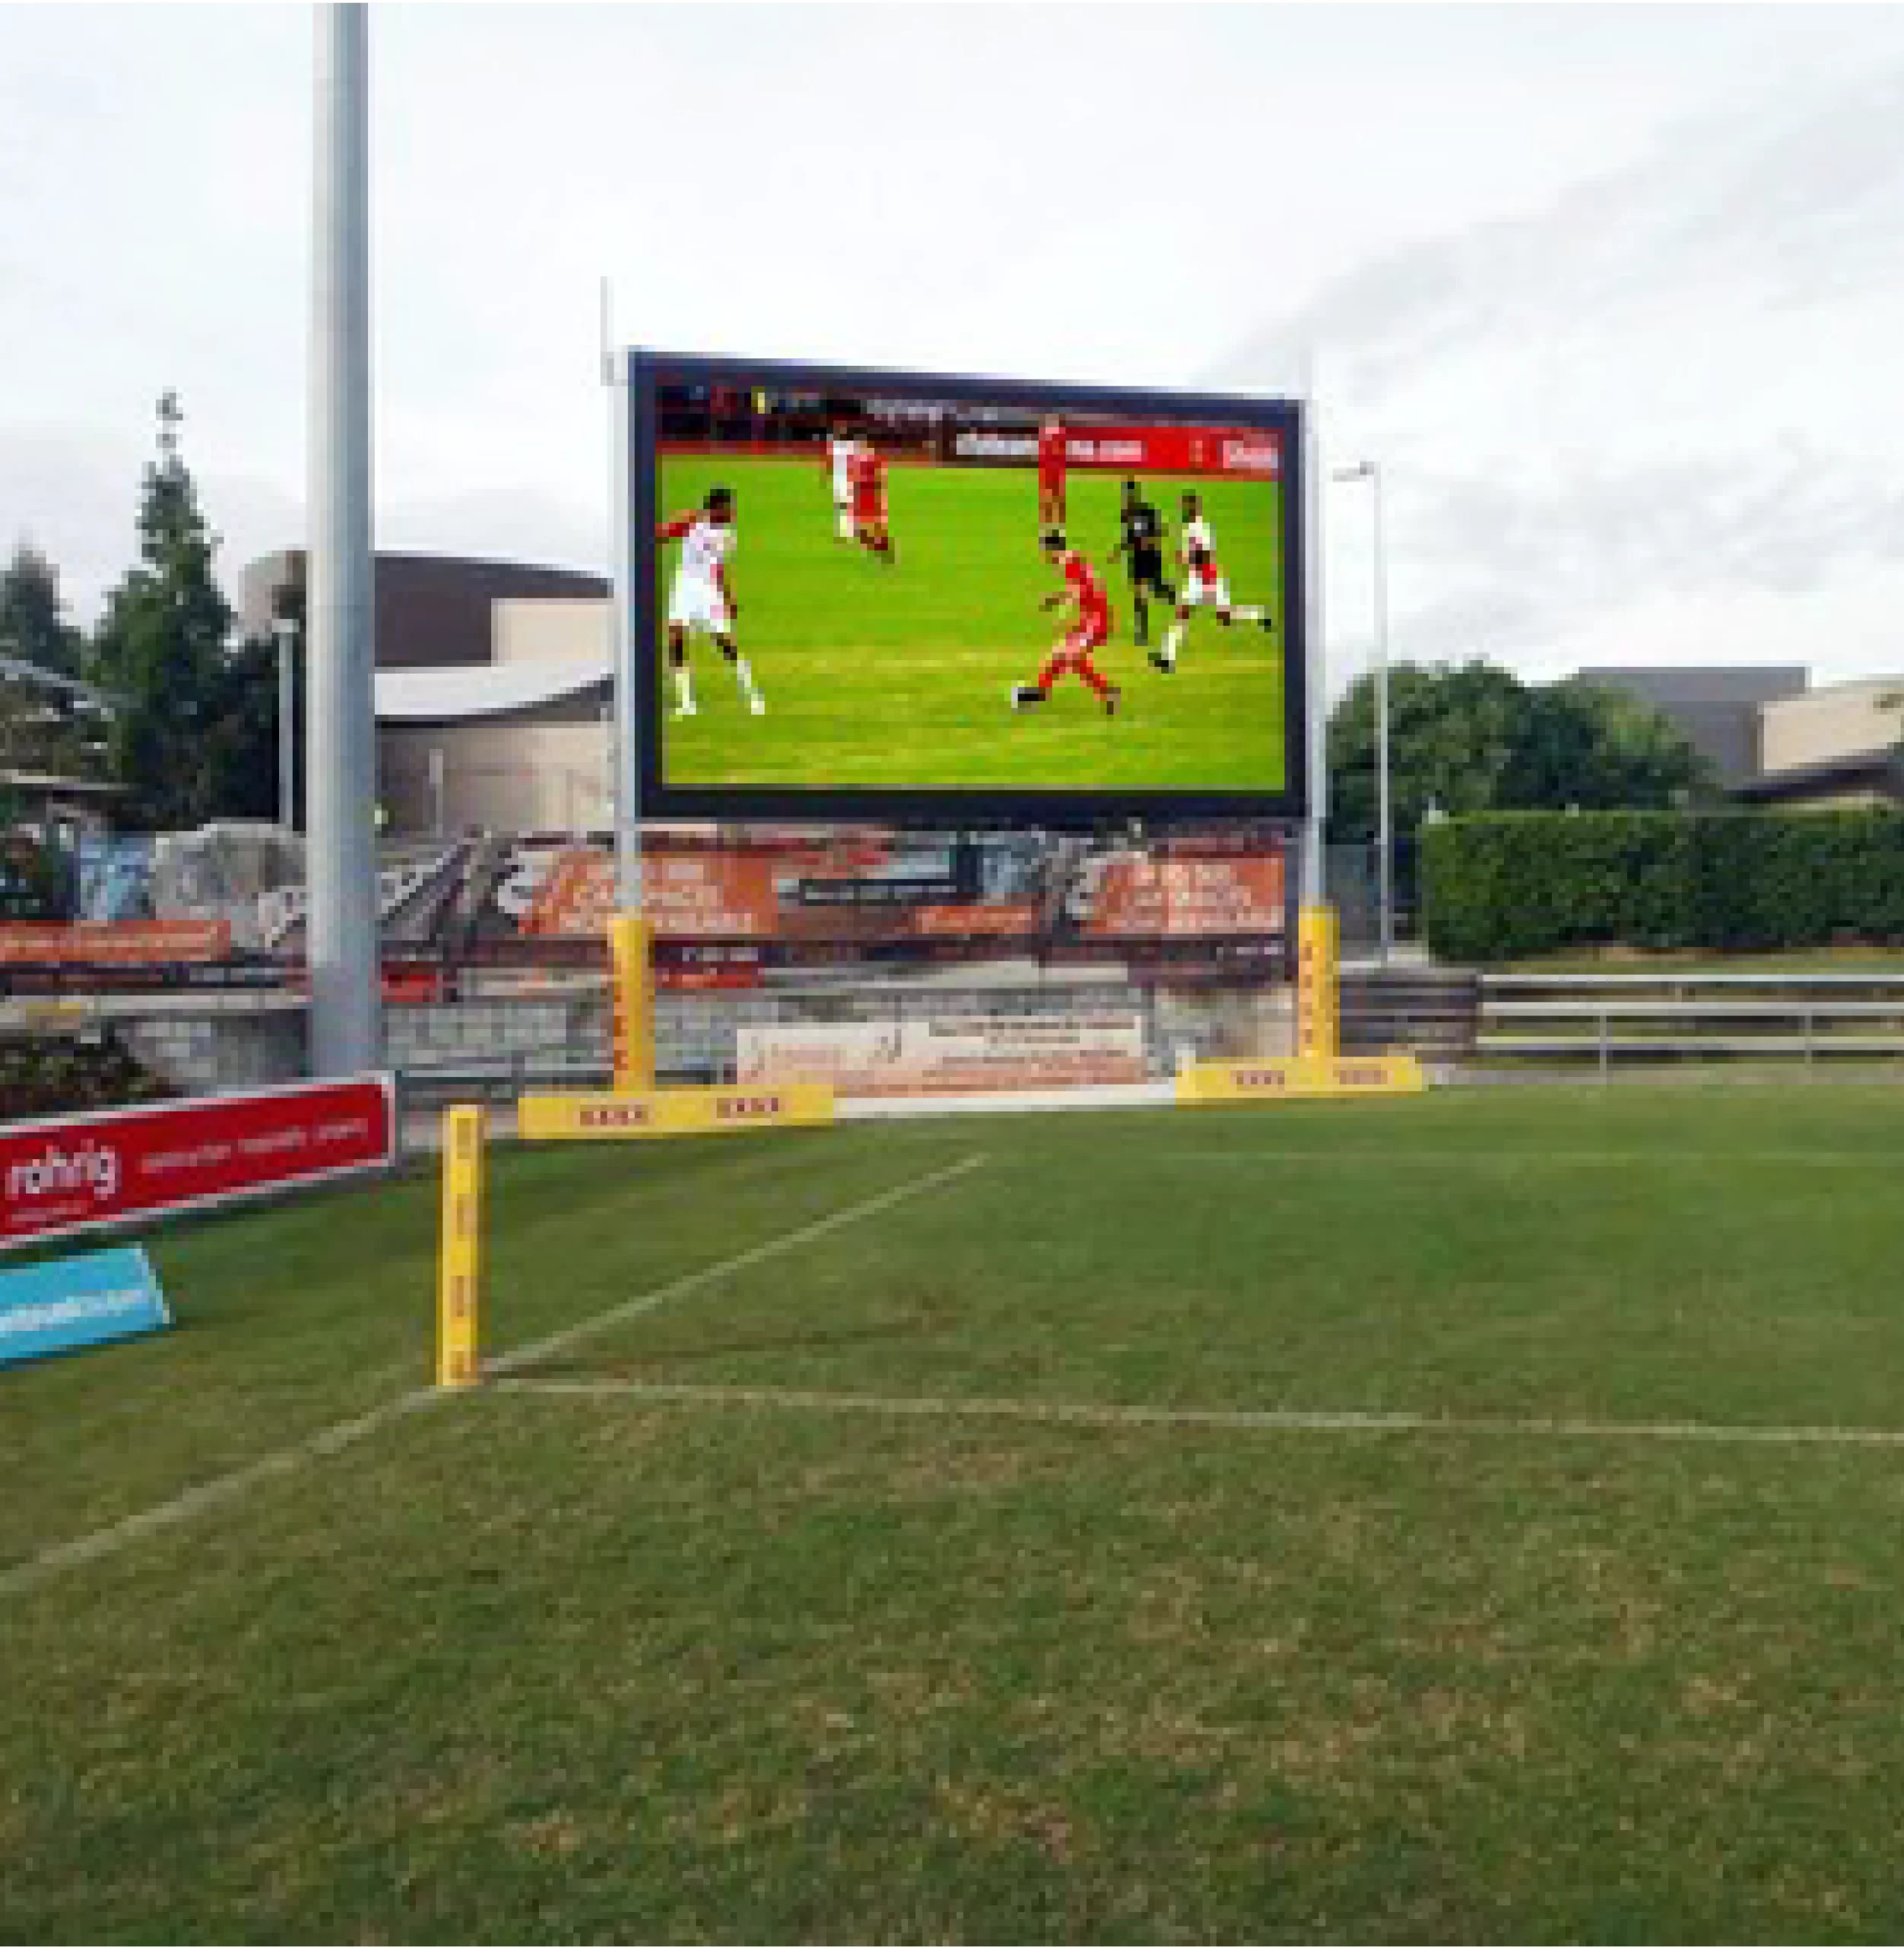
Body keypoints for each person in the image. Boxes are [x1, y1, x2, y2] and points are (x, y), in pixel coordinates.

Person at [655, 485, 764, 718]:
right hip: (685, 586)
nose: (733, 513)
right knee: (676, 637)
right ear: (716, 508)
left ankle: (753, 696)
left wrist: (728, 597)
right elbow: (661, 535)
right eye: (729, 508)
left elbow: (718, 567)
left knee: (725, 643)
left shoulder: (728, 535)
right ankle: (686, 703)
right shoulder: (691, 520)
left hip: (708, 591)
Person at [1150, 490, 1274, 672]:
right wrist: (1185, 557)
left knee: (1223, 618)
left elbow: (1206, 554)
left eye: (1185, 507)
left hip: (1207, 580)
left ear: (1193, 508)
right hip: (1198, 579)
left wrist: (1188, 558)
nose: (1182, 510)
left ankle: (1259, 614)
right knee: (1186, 615)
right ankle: (1167, 659)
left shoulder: (1200, 528)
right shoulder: (1189, 528)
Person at [1011, 528, 1120, 716]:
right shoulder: (1072, 559)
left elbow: (1079, 591)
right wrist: (1055, 599)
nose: (1043, 554)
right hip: (1090, 618)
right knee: (1060, 653)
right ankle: (1038, 694)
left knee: (1072, 656)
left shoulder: (1068, 562)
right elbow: (1080, 587)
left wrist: (1062, 614)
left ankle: (1108, 692)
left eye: (1044, 548)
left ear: (1053, 548)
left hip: (1097, 619)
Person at [1108, 476, 1176, 648]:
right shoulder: (1126, 515)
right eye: (1124, 495)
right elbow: (1130, 538)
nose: (1126, 498)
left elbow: (1163, 530)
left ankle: (1171, 594)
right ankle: (1142, 633)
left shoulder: (1147, 512)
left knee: (1157, 591)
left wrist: (1151, 541)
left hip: (1152, 557)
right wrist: (1118, 551)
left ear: (1135, 495)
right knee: (1140, 596)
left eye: (1129, 495)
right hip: (1137, 559)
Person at [849, 436, 897, 564]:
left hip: (873, 497)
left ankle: (886, 553)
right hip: (862, 498)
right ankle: (881, 550)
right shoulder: (857, 461)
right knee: (859, 530)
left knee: (877, 528)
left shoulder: (875, 460)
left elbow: (880, 479)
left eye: (861, 445)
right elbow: (854, 480)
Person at [823, 423, 858, 542]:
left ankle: (847, 531)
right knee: (846, 505)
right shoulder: (849, 446)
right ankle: (848, 530)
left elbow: (829, 462)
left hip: (843, 478)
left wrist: (827, 476)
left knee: (844, 506)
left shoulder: (841, 446)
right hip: (843, 478)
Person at [1036, 414, 1067, 529]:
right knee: (1048, 497)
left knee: (1057, 497)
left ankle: (1057, 522)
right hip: (1048, 470)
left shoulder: (1058, 434)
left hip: (1056, 470)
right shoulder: (1045, 433)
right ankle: (1048, 522)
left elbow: (1060, 452)